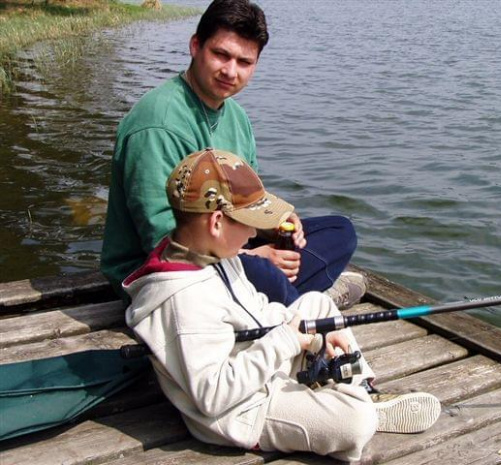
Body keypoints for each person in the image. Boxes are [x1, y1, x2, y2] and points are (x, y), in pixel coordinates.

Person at [123, 148, 441, 461]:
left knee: (317, 305)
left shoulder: (212, 254)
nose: (252, 234)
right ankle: (351, 401)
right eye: (248, 223)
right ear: (216, 222)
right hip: (242, 409)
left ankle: (357, 388)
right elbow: (214, 396)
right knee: (356, 422)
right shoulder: (183, 301)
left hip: (256, 362)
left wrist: (312, 334)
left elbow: (258, 311)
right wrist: (287, 341)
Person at [102, 0, 363, 307]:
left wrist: (277, 221)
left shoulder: (237, 117)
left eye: (244, 62)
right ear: (196, 46)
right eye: (221, 55)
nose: (230, 71)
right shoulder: (158, 124)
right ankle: (302, 301)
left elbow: (248, 202)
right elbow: (162, 240)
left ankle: (291, 296)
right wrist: (250, 258)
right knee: (265, 274)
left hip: (226, 243)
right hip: (164, 271)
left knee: (340, 231)